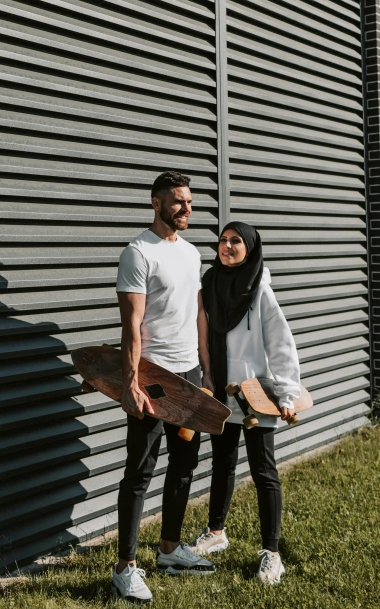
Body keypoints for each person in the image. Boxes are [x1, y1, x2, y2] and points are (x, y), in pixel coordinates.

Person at [111, 171, 216, 603]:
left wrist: (206, 373)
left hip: (190, 373)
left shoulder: (191, 254)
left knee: (185, 465)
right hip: (154, 380)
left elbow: (198, 317)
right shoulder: (138, 254)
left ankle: (170, 549)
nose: (187, 208)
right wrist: (131, 383)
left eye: (189, 201)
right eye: (178, 201)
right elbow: (131, 327)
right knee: (140, 471)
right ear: (156, 204)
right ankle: (125, 567)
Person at [191, 221, 300, 585]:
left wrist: (286, 394)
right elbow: (202, 336)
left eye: (236, 241)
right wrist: (206, 377)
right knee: (221, 466)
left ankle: (272, 553)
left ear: (250, 248)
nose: (227, 246)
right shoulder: (209, 285)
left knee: (263, 473)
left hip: (255, 396)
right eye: (222, 240)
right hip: (222, 390)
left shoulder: (259, 291)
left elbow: (281, 344)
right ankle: (216, 532)